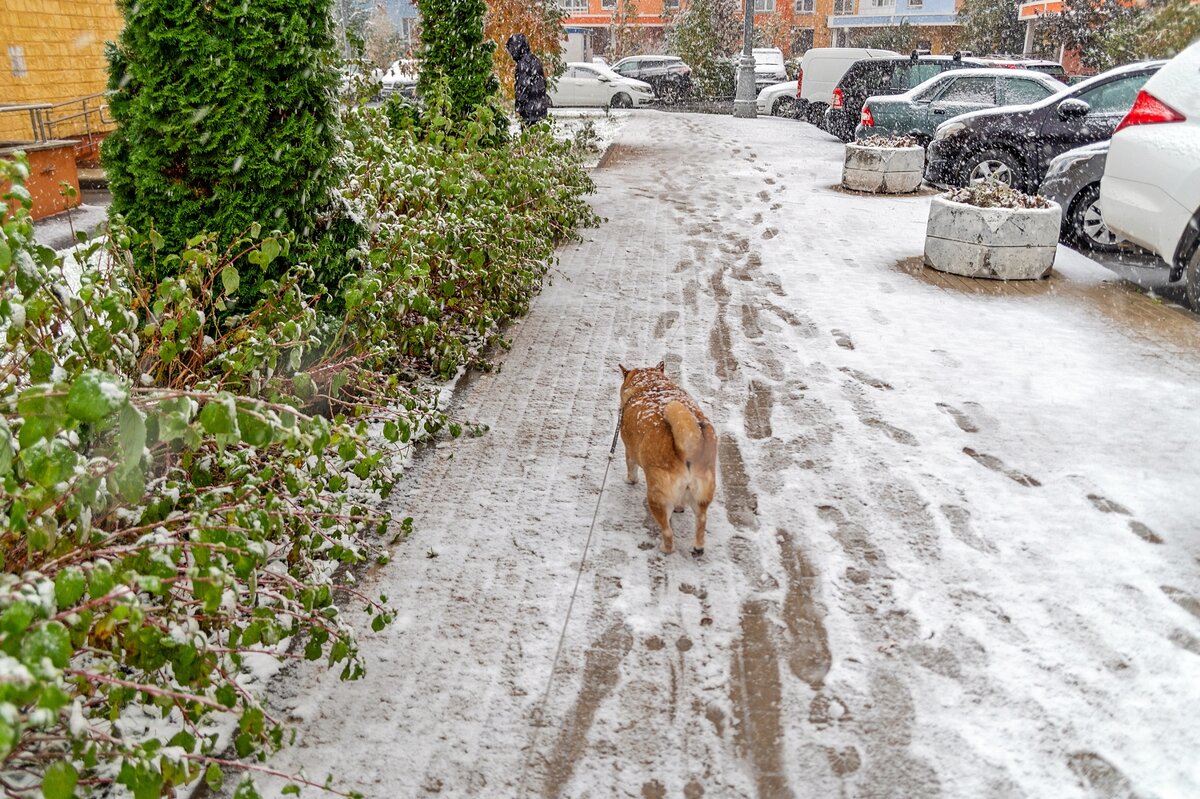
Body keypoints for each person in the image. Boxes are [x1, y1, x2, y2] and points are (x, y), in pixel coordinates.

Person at [505, 33, 548, 128]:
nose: (511, 54)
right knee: (536, 136)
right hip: (539, 108)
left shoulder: (523, 64)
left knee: (527, 137)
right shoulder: (535, 60)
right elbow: (543, 83)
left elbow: (522, 87)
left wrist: (519, 107)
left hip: (529, 110)